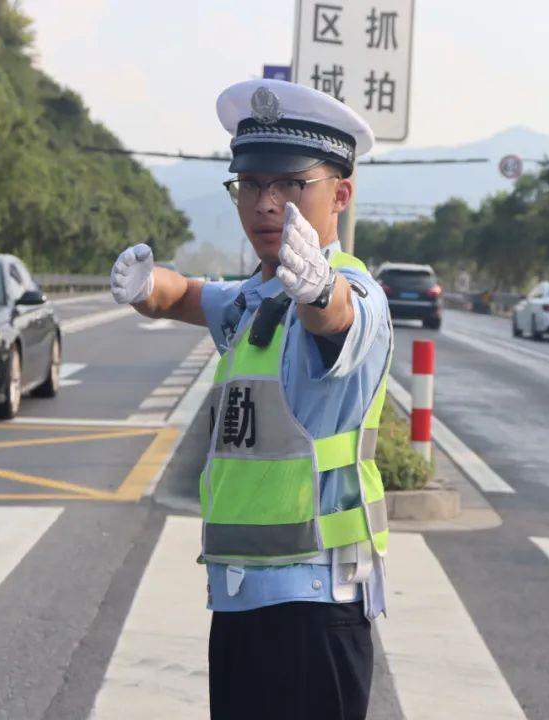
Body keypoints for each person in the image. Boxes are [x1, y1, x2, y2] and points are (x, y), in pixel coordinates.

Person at [109, 78, 393, 720]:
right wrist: (146, 284)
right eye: (251, 184)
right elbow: (187, 295)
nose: (266, 203)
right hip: (239, 599)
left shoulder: (356, 294)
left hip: (316, 606)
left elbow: (338, 321)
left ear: (340, 195)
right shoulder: (252, 297)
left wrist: (319, 292)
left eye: (291, 185)